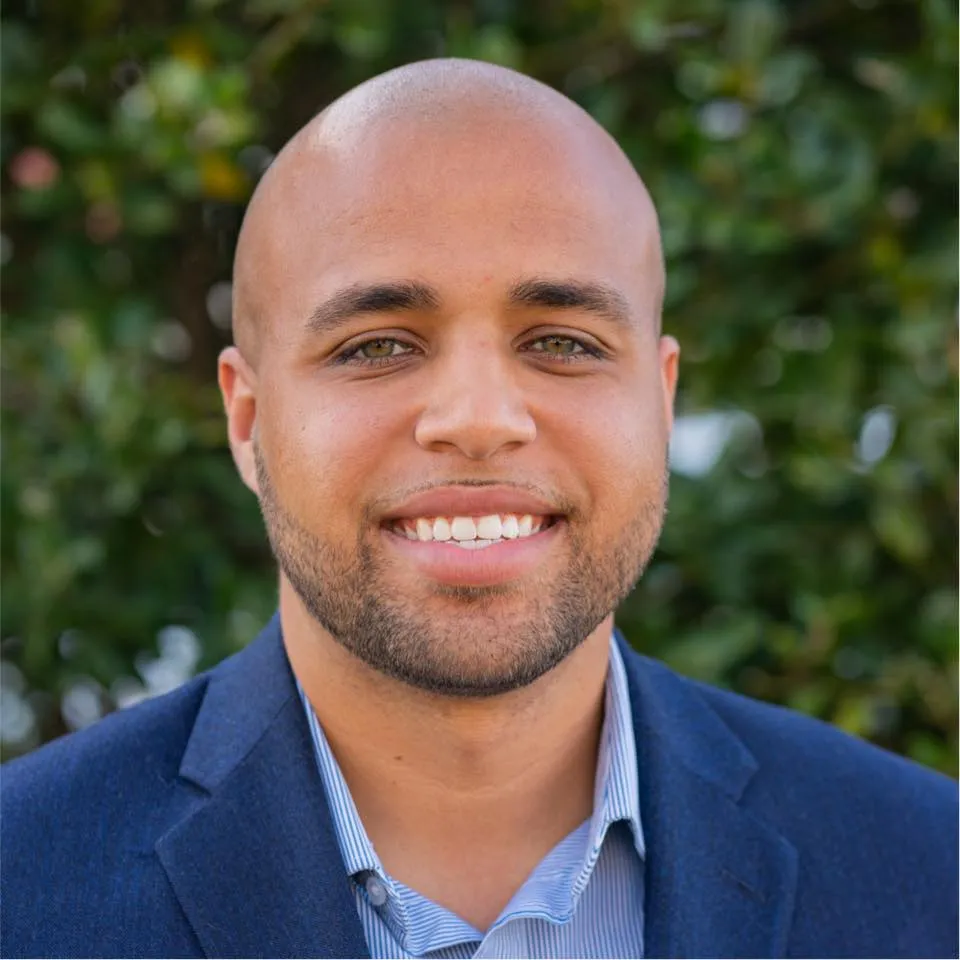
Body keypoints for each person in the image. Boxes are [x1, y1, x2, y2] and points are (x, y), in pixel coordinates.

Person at [2, 58, 956, 960]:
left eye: (563, 342)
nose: (479, 420)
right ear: (248, 420)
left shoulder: (928, 875)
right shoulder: (24, 887)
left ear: (661, 405)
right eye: (377, 346)